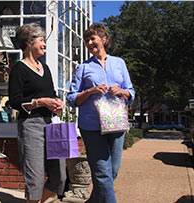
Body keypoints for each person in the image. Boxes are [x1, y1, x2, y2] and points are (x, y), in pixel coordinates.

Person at [67, 23, 135, 203]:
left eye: (92, 38)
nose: (89, 43)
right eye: (86, 40)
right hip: (91, 126)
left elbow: (131, 92)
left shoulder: (119, 63)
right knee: (102, 174)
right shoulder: (83, 68)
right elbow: (72, 98)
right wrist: (90, 91)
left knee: (112, 171)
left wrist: (122, 92)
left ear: (104, 39)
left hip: (116, 122)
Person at [8, 22, 67, 203]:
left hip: (51, 126)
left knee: (59, 178)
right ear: (28, 42)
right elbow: (15, 101)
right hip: (31, 126)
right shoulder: (19, 68)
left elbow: (51, 94)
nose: (44, 44)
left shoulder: (45, 68)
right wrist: (39, 102)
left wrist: (57, 103)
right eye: (41, 40)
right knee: (35, 180)